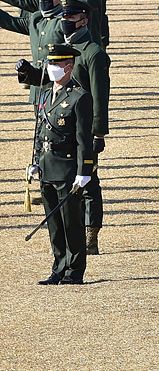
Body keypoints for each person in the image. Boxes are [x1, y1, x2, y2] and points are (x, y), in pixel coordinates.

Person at [27, 44, 94, 285]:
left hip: (66, 169)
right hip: (47, 166)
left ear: (69, 66)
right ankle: (58, 266)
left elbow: (83, 138)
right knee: (54, 224)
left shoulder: (79, 96)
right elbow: (40, 130)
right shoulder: (46, 94)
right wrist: (35, 162)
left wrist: (84, 170)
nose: (51, 68)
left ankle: (74, 271)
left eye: (56, 64)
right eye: (50, 63)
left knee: (70, 222)